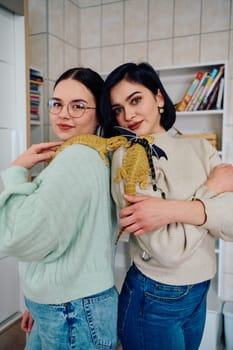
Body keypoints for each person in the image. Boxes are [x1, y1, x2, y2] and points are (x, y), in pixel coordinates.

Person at [100, 62, 233, 350]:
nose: (128, 115)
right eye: (118, 109)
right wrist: (211, 189)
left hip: (200, 290)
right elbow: (169, 250)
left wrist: (173, 210)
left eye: (135, 100)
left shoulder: (200, 148)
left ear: (159, 98)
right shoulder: (130, 155)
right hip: (153, 297)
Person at [0, 67, 119, 350]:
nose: (64, 114)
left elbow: (21, 235)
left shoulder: (76, 158)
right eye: (57, 104)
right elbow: (68, 236)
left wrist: (16, 171)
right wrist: (36, 301)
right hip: (67, 305)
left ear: (99, 113)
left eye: (78, 106)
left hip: (71, 312)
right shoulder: (98, 151)